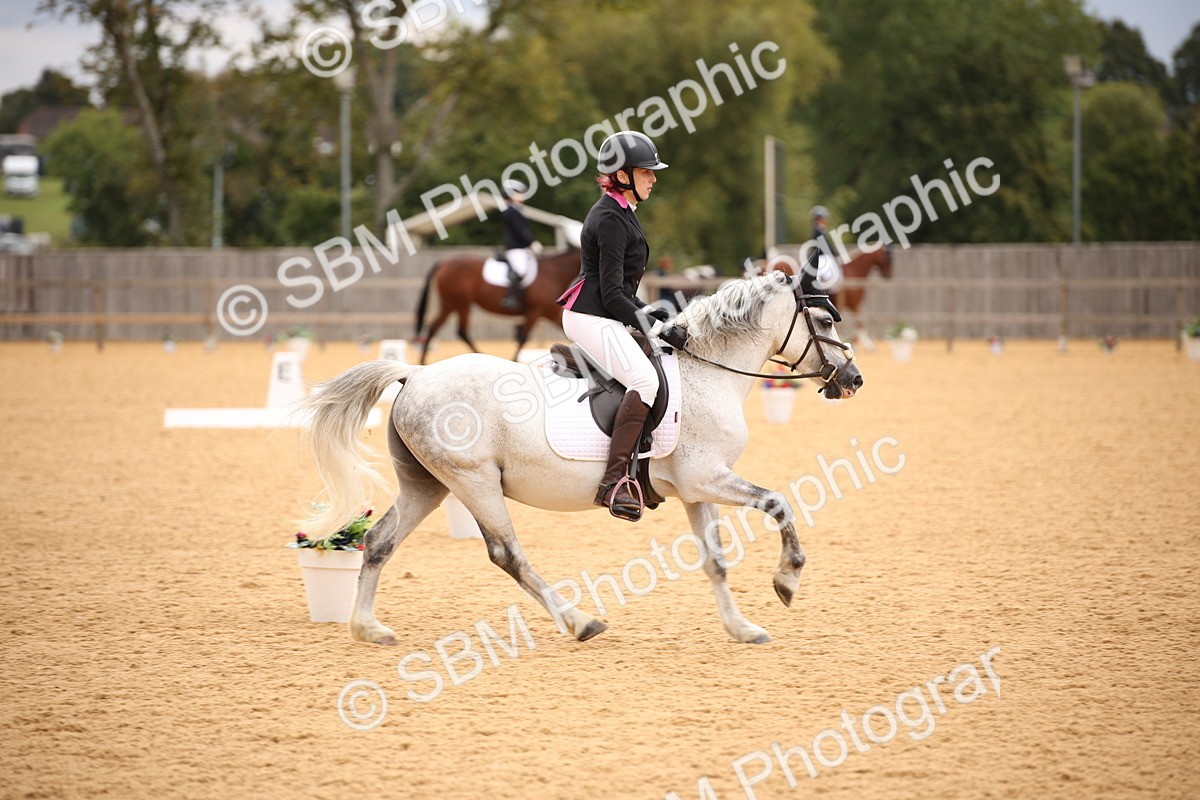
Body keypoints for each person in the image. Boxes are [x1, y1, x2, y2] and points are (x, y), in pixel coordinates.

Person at [555, 131, 685, 522]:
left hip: (604, 312)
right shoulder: (609, 218)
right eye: (647, 172)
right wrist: (656, 329)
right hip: (590, 315)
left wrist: (656, 316)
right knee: (645, 381)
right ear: (623, 175)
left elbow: (624, 292)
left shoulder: (622, 213)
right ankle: (614, 482)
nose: (654, 178)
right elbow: (612, 295)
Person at [500, 179, 540, 310]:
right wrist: (532, 242)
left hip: (521, 248)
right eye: (519, 193)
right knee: (521, 270)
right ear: (511, 195)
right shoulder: (511, 211)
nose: (523, 196)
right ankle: (510, 298)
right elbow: (521, 231)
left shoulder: (517, 210)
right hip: (515, 248)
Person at [802, 205, 842, 321]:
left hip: (824, 256)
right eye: (823, 218)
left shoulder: (821, 230)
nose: (825, 220)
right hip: (821, 257)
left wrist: (834, 252)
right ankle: (825, 289)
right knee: (827, 270)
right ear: (818, 219)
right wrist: (834, 253)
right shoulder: (818, 231)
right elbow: (824, 246)